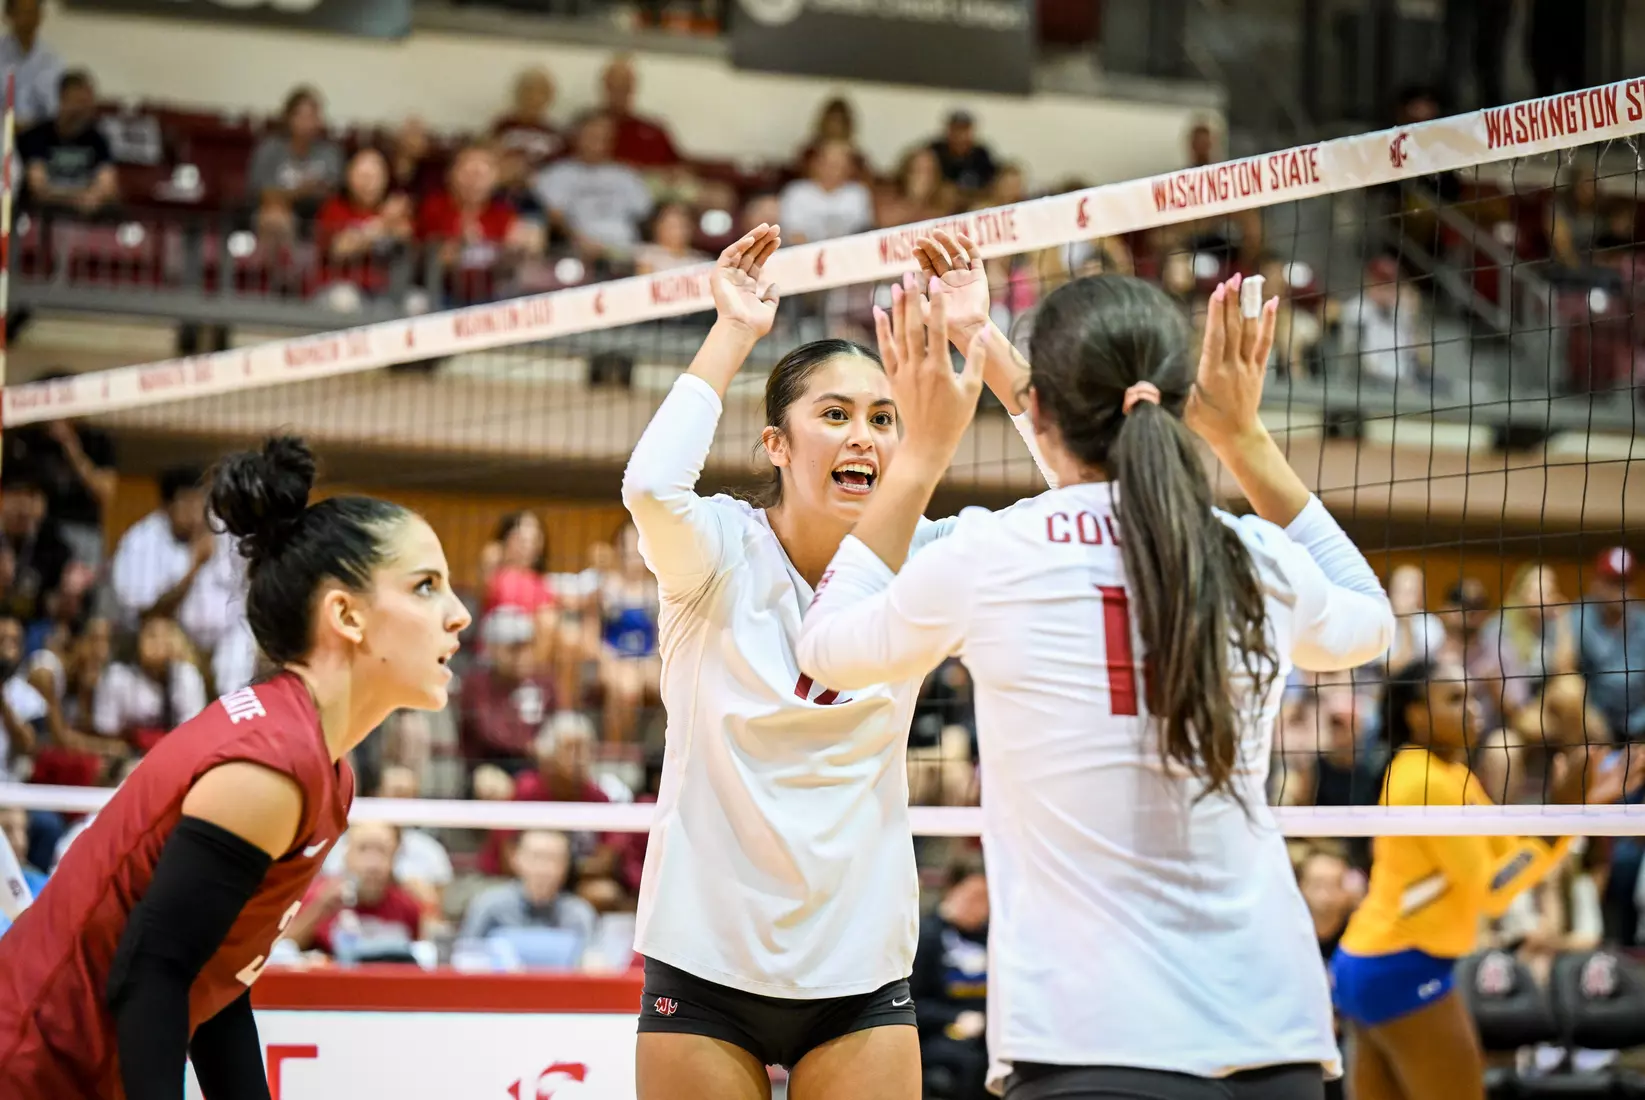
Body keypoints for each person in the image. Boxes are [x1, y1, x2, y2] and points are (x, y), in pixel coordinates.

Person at [795, 269, 1400, 1100]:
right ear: (1182, 401)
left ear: (1038, 410)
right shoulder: (1248, 557)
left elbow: (823, 648)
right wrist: (1244, 440)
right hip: (1273, 1036)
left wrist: (926, 452)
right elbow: (1371, 617)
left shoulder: (992, 554)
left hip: (1089, 1041)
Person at [622, 224, 1052, 1100]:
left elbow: (1085, 497)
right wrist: (733, 330)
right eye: (834, 414)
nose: (863, 435)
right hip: (706, 956)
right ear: (776, 445)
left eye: (882, 417)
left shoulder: (930, 558)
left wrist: (979, 336)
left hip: (858, 968)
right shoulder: (714, 551)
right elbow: (649, 486)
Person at [0, 435, 470, 1100]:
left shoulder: (317, 762)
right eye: (426, 586)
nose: (459, 615)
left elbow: (212, 983)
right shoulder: (270, 766)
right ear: (345, 615)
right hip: (32, 1072)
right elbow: (151, 972)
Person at [1331, 657, 1639, 1100]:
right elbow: (1493, 892)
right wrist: (1565, 820)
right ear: (1416, 713)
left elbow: (1512, 852)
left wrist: (1577, 807)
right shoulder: (1424, 781)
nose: (1472, 707)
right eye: (1454, 698)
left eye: (1472, 696)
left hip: (1369, 962)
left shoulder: (1450, 774)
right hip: (1402, 966)